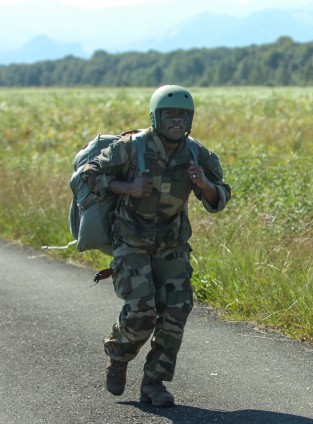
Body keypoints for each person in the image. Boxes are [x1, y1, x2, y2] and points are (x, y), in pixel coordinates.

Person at [80, 84, 231, 407]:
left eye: (183, 116)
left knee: (177, 309)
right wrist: (126, 186)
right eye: (169, 115)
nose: (176, 121)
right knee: (142, 310)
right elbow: (87, 176)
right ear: (155, 117)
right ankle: (118, 355)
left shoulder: (196, 153)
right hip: (131, 241)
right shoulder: (130, 148)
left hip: (172, 244)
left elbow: (220, 199)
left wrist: (203, 183)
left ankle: (154, 383)